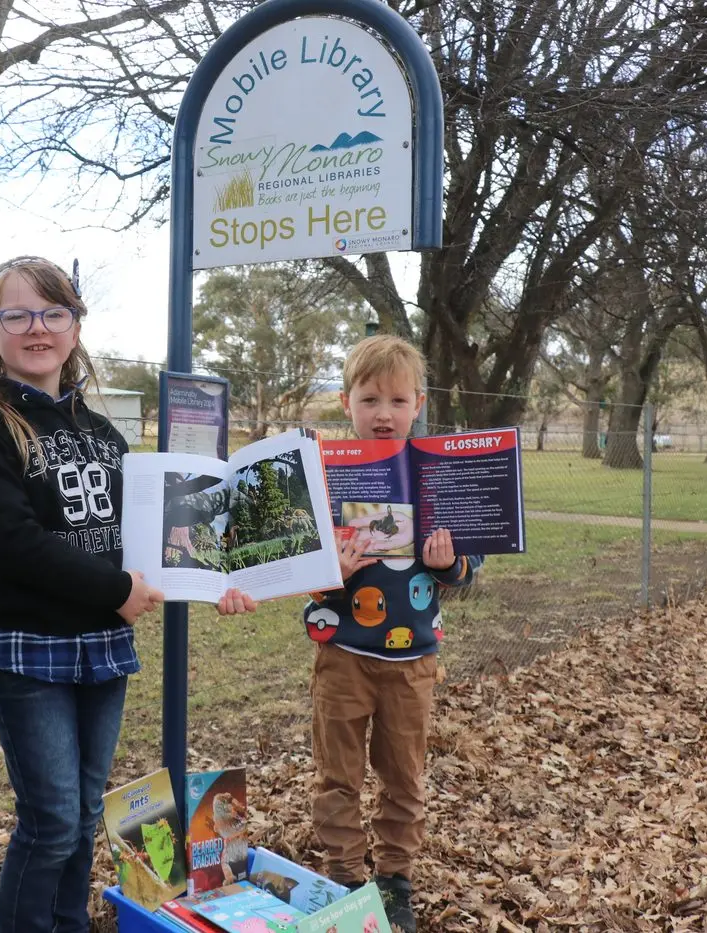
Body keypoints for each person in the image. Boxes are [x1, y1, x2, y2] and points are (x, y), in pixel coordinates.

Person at [0, 255, 253, 933]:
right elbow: (10, 543)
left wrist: (220, 575)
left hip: (101, 645)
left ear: (75, 326)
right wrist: (114, 588)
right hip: (27, 647)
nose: (37, 328)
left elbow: (151, 536)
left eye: (54, 312)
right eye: (16, 314)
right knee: (50, 818)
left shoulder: (101, 431)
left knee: (83, 813)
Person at [303, 334, 482, 933]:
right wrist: (333, 573)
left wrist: (445, 562)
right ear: (347, 403)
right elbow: (300, 570)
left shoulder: (438, 475)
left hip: (413, 662)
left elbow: (467, 569)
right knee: (339, 772)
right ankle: (346, 876)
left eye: (398, 401)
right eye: (369, 398)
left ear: (419, 403)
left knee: (403, 773)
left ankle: (395, 878)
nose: (384, 413)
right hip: (344, 656)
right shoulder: (324, 477)